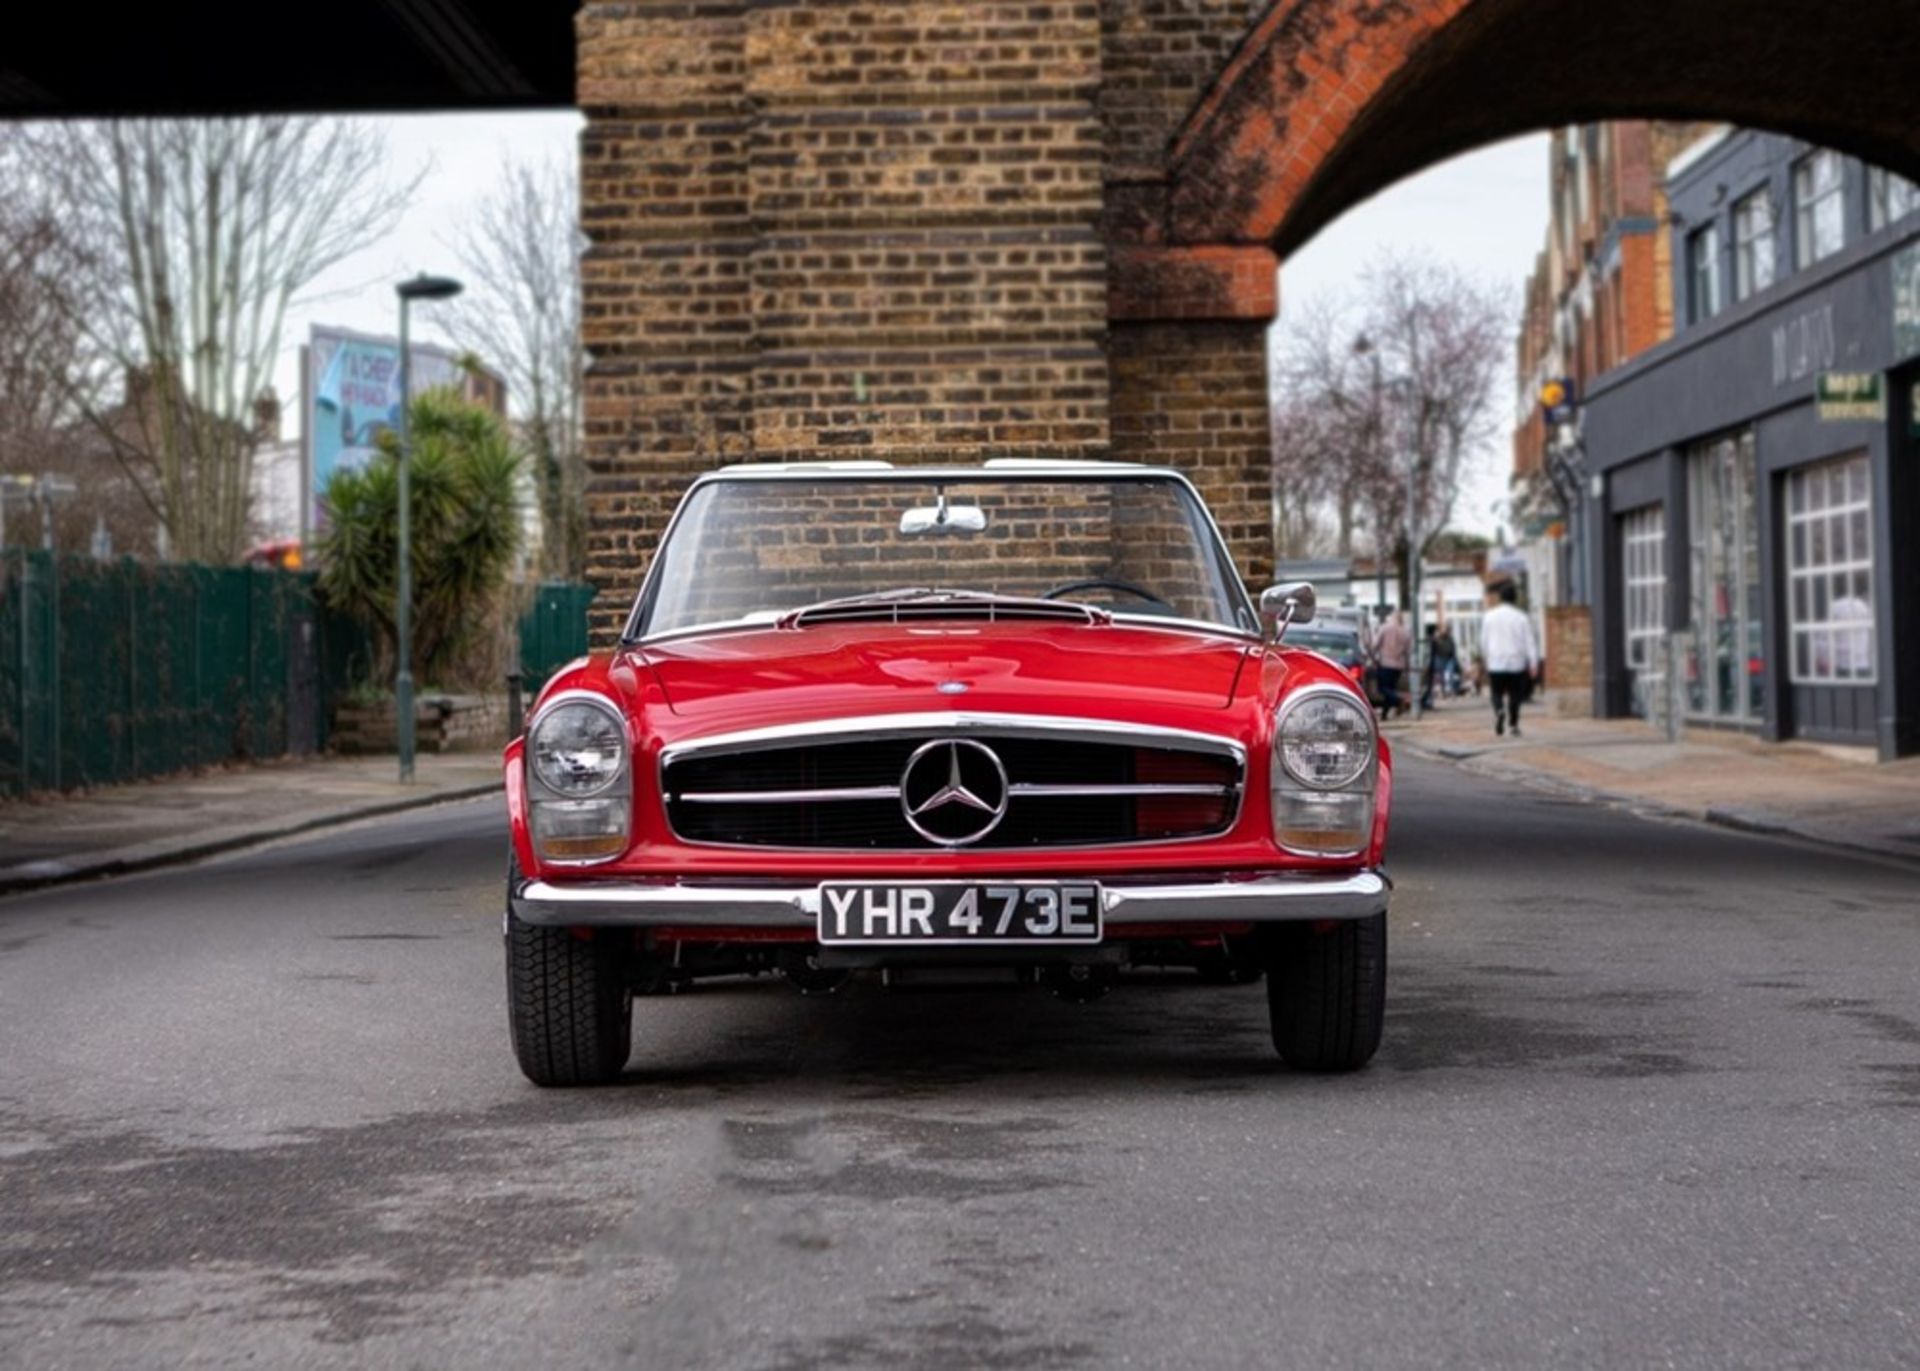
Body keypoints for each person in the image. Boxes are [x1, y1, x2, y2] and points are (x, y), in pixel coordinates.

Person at [1480, 581, 1540, 737]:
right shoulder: (1521, 617)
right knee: (1515, 695)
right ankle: (1513, 724)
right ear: (1514, 598)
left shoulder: (1489, 616)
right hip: (1516, 662)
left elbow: (1484, 641)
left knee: (1496, 692)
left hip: (1496, 661)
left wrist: (1485, 659)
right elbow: (1530, 641)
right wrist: (1533, 662)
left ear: (1500, 598)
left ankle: (1499, 710)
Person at [1374, 610, 1410, 717]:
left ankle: (1399, 700)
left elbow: (1375, 644)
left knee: (1383, 688)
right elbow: (1408, 650)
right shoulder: (1406, 631)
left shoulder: (1385, 628)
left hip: (1385, 662)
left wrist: (1373, 655)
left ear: (1391, 617)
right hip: (1399, 664)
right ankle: (1385, 714)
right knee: (1391, 688)